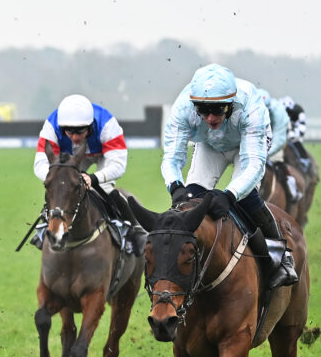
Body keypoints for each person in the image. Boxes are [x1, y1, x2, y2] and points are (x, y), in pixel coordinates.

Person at [162, 64, 298, 288]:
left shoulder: (250, 104)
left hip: (248, 143)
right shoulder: (183, 107)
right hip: (210, 144)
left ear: (231, 104)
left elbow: (254, 164)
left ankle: (282, 256)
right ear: (194, 105)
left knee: (244, 197)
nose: (210, 117)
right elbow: (172, 157)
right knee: (192, 198)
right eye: (203, 110)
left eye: (218, 110)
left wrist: (229, 195)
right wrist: (175, 186)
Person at [31, 93, 147, 253]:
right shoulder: (51, 126)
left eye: (80, 132)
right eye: (69, 132)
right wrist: (59, 179)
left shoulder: (107, 125)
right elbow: (40, 164)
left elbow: (118, 165)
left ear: (91, 126)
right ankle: (45, 227)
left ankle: (135, 230)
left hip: (102, 155)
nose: (75, 137)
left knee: (106, 188)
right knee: (60, 190)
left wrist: (93, 178)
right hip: (70, 159)